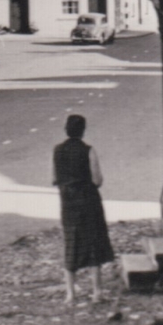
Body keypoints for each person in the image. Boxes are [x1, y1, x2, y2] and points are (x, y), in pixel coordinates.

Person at [52, 114, 115, 303]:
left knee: (71, 243)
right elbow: (97, 180)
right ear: (83, 130)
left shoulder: (57, 150)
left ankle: (70, 294)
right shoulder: (89, 150)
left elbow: (55, 178)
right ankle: (97, 292)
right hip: (88, 201)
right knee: (93, 244)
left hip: (68, 203)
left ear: (66, 129)